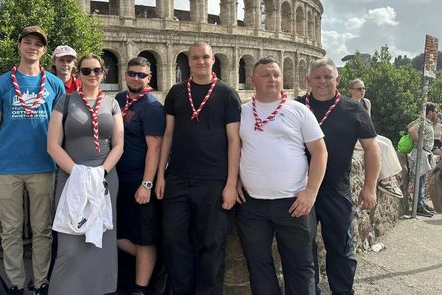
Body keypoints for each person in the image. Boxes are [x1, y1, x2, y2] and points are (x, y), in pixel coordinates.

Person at [155, 41, 241, 295]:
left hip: (214, 180)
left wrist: (231, 183)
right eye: (195, 57)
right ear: (188, 60)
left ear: (213, 59)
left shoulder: (227, 94)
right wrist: (160, 176)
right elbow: (168, 135)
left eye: (205, 57)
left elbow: (234, 140)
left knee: (212, 244)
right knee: (173, 239)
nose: (200, 61)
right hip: (178, 178)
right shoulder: (176, 92)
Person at [0, 26, 65, 295]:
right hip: (7, 168)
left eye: (38, 44)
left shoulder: (54, 84)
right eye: (27, 41)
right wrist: (11, 148)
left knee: (42, 229)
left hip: (43, 166)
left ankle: (41, 281)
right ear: (19, 45)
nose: (32, 47)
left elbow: (61, 126)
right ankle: (16, 283)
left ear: (44, 50)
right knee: (10, 230)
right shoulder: (1, 84)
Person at [236, 57, 327, 295]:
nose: (272, 79)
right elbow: (235, 150)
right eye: (266, 75)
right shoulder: (242, 112)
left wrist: (311, 192)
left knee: (300, 267)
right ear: (252, 80)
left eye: (276, 74)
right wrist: (235, 180)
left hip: (293, 203)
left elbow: (320, 152)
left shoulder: (298, 110)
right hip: (252, 204)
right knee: (258, 266)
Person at [297, 57, 381, 295]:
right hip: (300, 191)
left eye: (328, 76)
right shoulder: (296, 106)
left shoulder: (354, 109)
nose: (322, 81)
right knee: (303, 250)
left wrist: (370, 187)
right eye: (317, 77)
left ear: (338, 79)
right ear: (308, 80)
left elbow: (372, 149)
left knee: (341, 249)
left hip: (336, 190)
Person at [47, 53, 124, 294]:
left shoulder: (112, 103)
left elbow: (119, 144)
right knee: (70, 243)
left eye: (96, 70)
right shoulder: (65, 101)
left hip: (104, 177)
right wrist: (78, 173)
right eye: (86, 70)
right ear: (78, 74)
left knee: (102, 239)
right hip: (71, 176)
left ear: (104, 73)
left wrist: (101, 172)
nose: (92, 75)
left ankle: (100, 289)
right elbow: (52, 145)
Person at [115, 56, 165, 295]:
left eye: (141, 75)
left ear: (149, 78)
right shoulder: (119, 99)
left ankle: (142, 288)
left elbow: (155, 148)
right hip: (119, 179)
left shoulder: (152, 106)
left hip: (139, 180)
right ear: (125, 75)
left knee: (144, 237)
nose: (136, 78)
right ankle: (156, 265)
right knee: (118, 232)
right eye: (132, 73)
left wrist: (146, 184)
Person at [348, 79, 403, 198]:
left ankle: (391, 177)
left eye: (364, 88)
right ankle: (385, 180)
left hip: (366, 134)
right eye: (359, 89)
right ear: (351, 90)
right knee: (382, 146)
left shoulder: (366, 102)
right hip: (356, 137)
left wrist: (372, 135)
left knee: (388, 142)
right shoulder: (348, 105)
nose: (362, 91)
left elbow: (368, 122)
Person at [407, 103, 439, 217]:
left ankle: (421, 203)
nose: (437, 114)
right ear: (430, 112)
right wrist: (421, 145)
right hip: (421, 154)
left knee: (422, 181)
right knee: (420, 181)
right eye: (435, 111)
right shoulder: (423, 121)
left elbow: (408, 126)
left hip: (425, 154)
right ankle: (418, 206)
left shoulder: (426, 122)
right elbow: (411, 130)